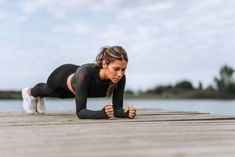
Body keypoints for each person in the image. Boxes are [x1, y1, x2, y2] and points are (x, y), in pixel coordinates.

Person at [22, 46, 136, 119]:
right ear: (105, 64)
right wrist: (101, 114)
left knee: (60, 96)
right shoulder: (85, 75)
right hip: (61, 76)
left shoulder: (120, 78)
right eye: (116, 69)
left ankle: (40, 97)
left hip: (76, 87)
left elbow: (116, 110)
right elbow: (81, 112)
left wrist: (125, 113)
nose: (120, 74)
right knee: (48, 90)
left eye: (123, 69)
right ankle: (30, 92)